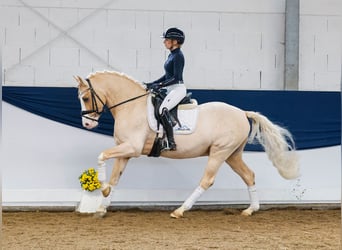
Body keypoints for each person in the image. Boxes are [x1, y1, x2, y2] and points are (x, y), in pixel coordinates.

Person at [145, 27, 187, 151]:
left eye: (167, 40)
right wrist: (152, 83)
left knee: (163, 110)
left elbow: (176, 77)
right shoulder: (172, 55)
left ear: (175, 41)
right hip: (171, 89)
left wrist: (160, 85)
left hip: (178, 89)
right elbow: (167, 76)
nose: (164, 42)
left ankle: (171, 142)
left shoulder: (178, 56)